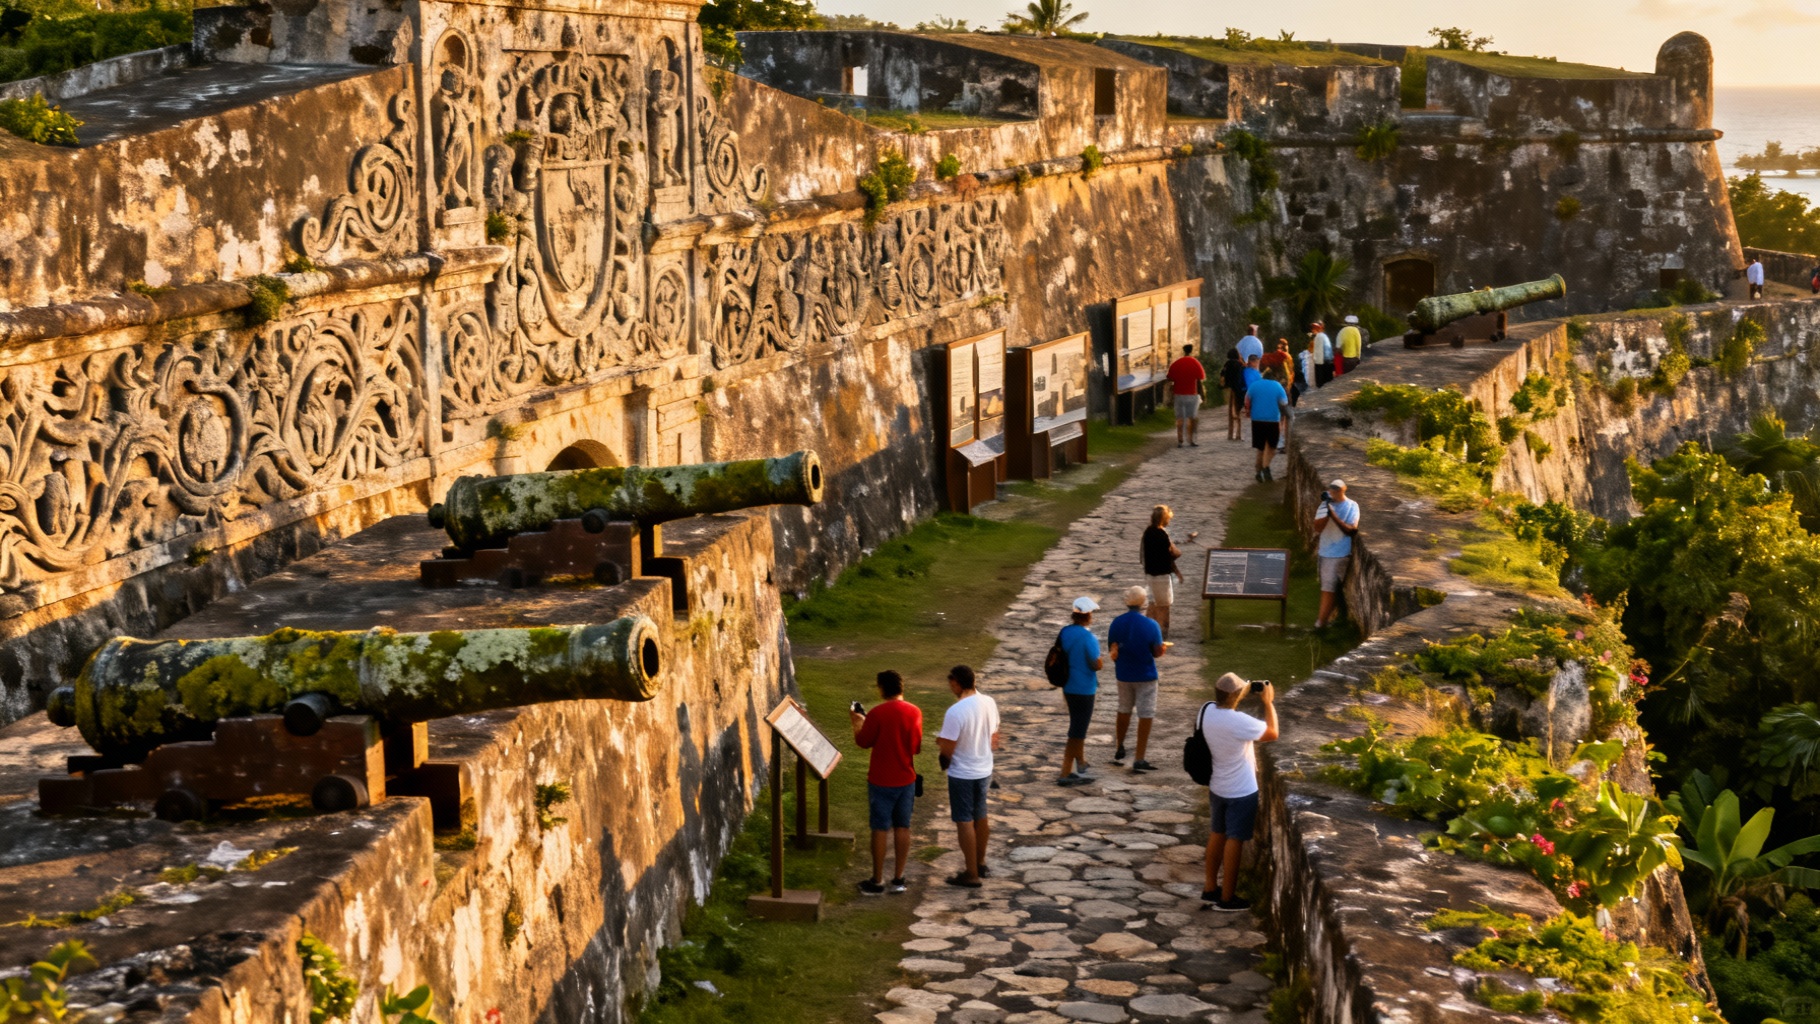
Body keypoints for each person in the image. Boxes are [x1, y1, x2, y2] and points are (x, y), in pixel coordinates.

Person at [1200, 673, 1279, 911]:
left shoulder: (1206, 711)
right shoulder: (1239, 722)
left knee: (1217, 833)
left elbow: (1225, 704)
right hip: (1241, 790)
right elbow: (1272, 733)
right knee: (1235, 840)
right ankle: (1227, 898)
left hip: (1218, 785)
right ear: (1237, 695)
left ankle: (1210, 887)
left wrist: (1241, 692)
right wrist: (1268, 702)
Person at [851, 670, 923, 895]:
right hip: (906, 777)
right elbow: (916, 747)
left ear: (882, 688)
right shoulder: (914, 711)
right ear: (901, 687)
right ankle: (899, 879)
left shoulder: (877, 713)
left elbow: (863, 741)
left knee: (880, 827)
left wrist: (857, 722)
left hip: (881, 779)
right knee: (903, 826)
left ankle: (877, 879)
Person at [937, 664, 1000, 888]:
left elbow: (947, 750)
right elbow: (994, 738)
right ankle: (981, 863)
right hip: (984, 768)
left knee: (964, 820)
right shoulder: (989, 702)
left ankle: (971, 873)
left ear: (956, 683)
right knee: (981, 816)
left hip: (962, 772)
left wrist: (942, 754)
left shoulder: (955, 711)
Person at [1108, 585, 1167, 773]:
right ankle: (1139, 756)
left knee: (1123, 709)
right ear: (1144, 602)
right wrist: (1162, 649)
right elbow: (1156, 652)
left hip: (1124, 674)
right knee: (1146, 713)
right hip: (1145, 674)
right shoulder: (1151, 625)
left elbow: (1113, 649)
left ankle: (1119, 746)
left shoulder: (1117, 623)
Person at [1056, 596, 1103, 787]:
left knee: (1077, 725)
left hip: (1068, 685)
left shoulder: (1065, 632)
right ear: (1087, 616)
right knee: (1077, 730)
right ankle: (1065, 772)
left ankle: (1081, 762)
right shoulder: (1088, 637)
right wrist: (1105, 659)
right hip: (1084, 688)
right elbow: (1095, 664)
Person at [1313, 479, 1360, 629]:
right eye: (1331, 489)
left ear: (1343, 490)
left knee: (1328, 588)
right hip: (1325, 552)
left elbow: (1351, 530)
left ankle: (1320, 624)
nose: (1333, 492)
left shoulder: (1352, 505)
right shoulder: (1324, 505)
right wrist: (1326, 511)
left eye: (1336, 489)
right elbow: (1317, 528)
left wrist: (1333, 515)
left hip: (1339, 553)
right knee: (1331, 588)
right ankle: (1336, 618)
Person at [1141, 504, 1186, 637]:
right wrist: (1178, 573)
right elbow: (1170, 557)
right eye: (1168, 519)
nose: (1169, 521)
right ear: (1163, 519)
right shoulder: (1162, 535)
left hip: (1150, 575)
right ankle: (1161, 634)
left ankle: (1146, 631)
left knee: (1152, 604)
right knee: (1164, 606)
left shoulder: (1148, 532)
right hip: (1162, 576)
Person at [1242, 367, 1290, 483]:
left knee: (1261, 448)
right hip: (1272, 420)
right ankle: (1266, 467)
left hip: (1256, 420)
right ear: (1274, 377)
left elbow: (1246, 400)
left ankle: (1258, 471)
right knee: (1272, 447)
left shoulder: (1254, 385)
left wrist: (1249, 411)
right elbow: (1284, 402)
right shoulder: (1277, 386)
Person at [1166, 344, 1207, 448]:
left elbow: (1169, 378)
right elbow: (1199, 380)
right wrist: (1202, 395)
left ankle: (1180, 440)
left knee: (1180, 418)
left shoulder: (1177, 363)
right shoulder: (1195, 363)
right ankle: (1191, 440)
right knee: (1192, 418)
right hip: (1192, 394)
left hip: (1179, 394)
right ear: (1192, 351)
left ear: (1183, 351)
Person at [1220, 348, 1245, 441]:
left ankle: (1230, 434)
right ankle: (1238, 434)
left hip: (1228, 389)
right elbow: (1242, 377)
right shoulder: (1240, 365)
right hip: (1238, 390)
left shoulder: (1227, 364)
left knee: (1230, 412)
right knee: (1238, 412)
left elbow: (1222, 375)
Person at [1309, 321, 1334, 387]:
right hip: (1328, 362)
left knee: (1321, 385)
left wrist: (1317, 365)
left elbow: (1319, 352)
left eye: (1313, 328)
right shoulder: (1324, 336)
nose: (1312, 330)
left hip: (1322, 363)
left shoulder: (1318, 337)